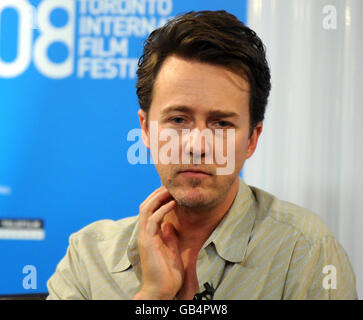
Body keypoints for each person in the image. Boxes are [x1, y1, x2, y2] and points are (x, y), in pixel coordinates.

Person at [46, 10, 357, 300]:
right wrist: (152, 296)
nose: (197, 145)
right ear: (146, 129)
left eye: (221, 123)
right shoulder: (88, 256)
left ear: (252, 139)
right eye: (178, 120)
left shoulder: (305, 252)